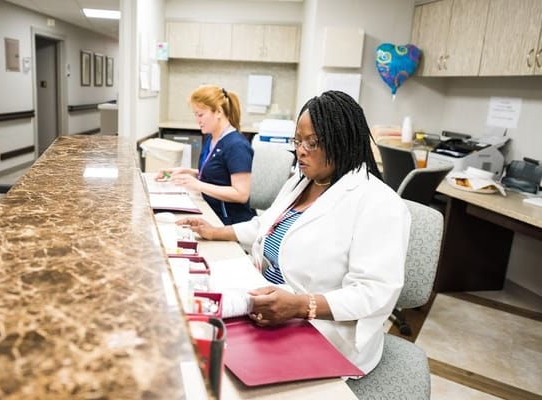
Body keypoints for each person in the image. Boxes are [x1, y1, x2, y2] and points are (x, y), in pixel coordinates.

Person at [176, 90, 411, 375]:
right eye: (297, 141)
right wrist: (217, 232)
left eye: (312, 143)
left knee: (220, 373)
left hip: (322, 330)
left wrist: (301, 306)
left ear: (343, 141)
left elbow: (374, 292)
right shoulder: (302, 183)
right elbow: (265, 226)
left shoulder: (378, 203)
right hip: (266, 307)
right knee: (190, 332)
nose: (300, 150)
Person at [156, 85, 255, 225]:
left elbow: (241, 194)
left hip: (228, 221)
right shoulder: (211, 138)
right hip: (209, 208)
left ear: (218, 112)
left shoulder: (237, 146)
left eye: (200, 114)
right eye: (195, 114)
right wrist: (187, 172)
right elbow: (218, 175)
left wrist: (198, 185)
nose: (197, 120)